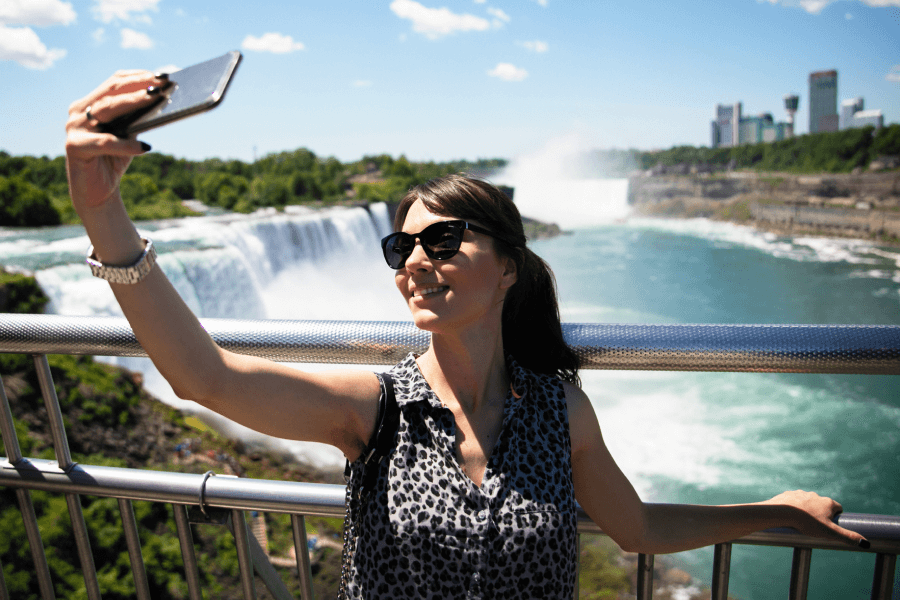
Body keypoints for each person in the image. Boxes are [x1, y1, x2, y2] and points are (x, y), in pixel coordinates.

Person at [65, 71, 868, 599]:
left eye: (443, 242)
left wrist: (774, 512)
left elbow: (639, 529)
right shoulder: (373, 410)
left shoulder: (562, 413)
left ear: (509, 267)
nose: (416, 260)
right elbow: (203, 376)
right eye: (401, 246)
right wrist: (105, 215)